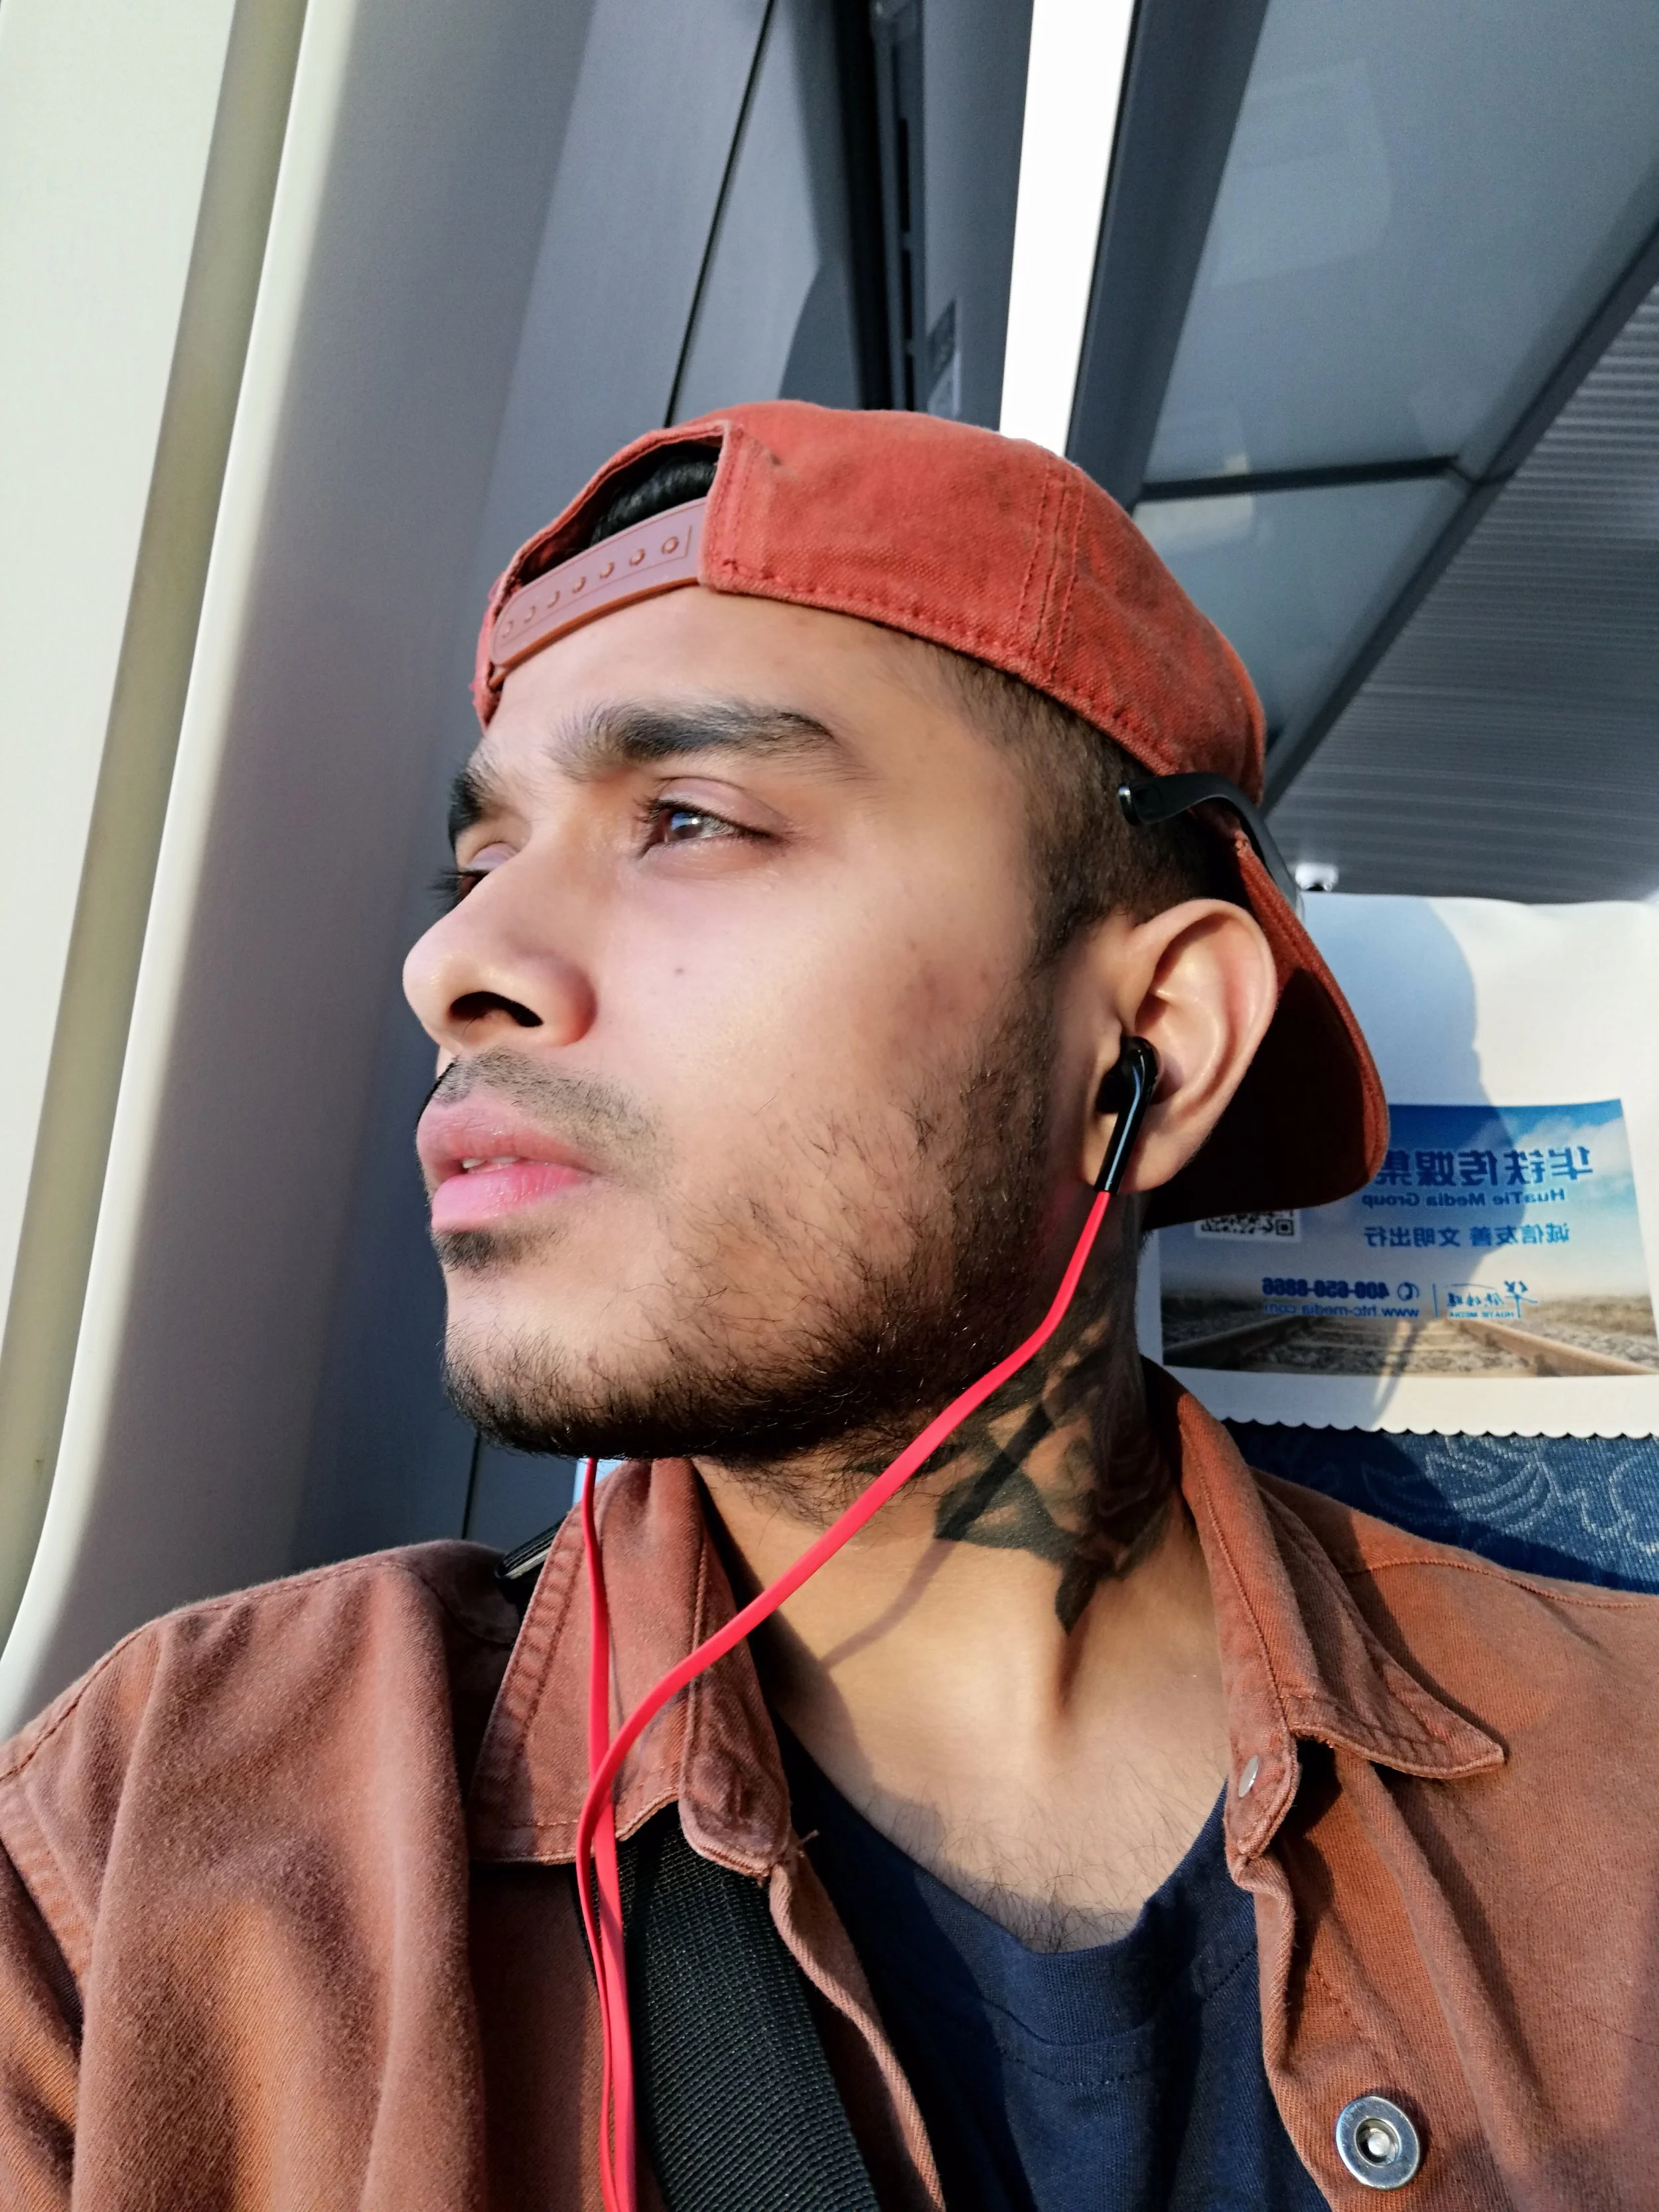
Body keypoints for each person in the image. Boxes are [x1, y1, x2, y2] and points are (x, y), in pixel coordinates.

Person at [1, 402, 1655, 2212]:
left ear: (1155, 1040)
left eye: (689, 819)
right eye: (479, 861)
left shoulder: (1621, 1803)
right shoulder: (160, 1827)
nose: (451, 963)